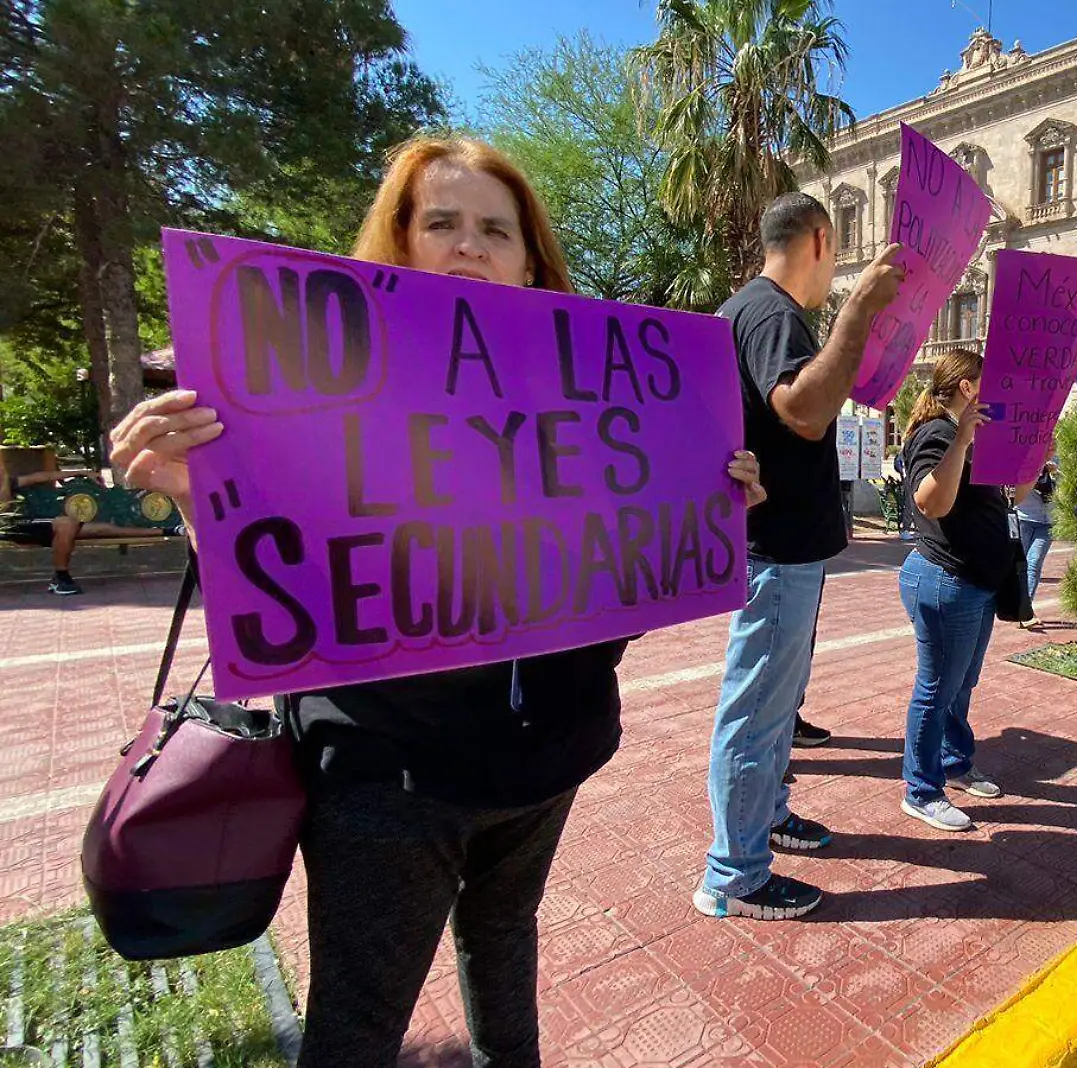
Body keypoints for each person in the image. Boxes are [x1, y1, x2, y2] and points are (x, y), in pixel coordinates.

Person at [107, 135, 766, 1068]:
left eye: (495, 230)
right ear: (400, 243)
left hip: (548, 758)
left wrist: (699, 508)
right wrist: (194, 495)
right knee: (361, 1023)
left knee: (505, 946)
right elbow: (284, 575)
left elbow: (617, 599)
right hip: (390, 775)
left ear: (532, 260)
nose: (469, 246)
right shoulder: (315, 390)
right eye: (442, 223)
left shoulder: (586, 404)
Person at [696, 194, 904, 922]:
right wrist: (862, 312)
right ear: (821, 239)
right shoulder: (773, 313)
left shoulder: (746, 310)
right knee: (756, 709)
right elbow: (805, 412)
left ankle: (766, 818)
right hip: (776, 551)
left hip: (781, 548)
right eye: (838, 250)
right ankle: (734, 871)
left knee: (773, 708)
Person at [894, 350, 1012, 832]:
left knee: (960, 684)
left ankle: (955, 761)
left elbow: (1014, 498)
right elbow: (930, 501)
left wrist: (1027, 450)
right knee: (936, 690)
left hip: (974, 582)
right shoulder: (938, 434)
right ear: (968, 387)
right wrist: (963, 438)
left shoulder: (968, 437)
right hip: (945, 580)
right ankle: (921, 790)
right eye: (989, 380)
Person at [1, 468, 175, 595]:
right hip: (15, 527)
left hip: (32, 526)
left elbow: (43, 475)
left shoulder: (10, 482)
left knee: (102, 529)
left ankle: (169, 530)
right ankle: (61, 577)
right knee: (67, 523)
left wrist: (80, 472)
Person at [1011, 458, 1058, 630]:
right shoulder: (1025, 456)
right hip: (1024, 517)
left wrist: (1056, 472)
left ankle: (1025, 611)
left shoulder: (1059, 458)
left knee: (1034, 563)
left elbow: (1073, 485)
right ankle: (1013, 605)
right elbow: (1012, 486)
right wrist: (1034, 470)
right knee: (1019, 565)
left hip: (1049, 521)